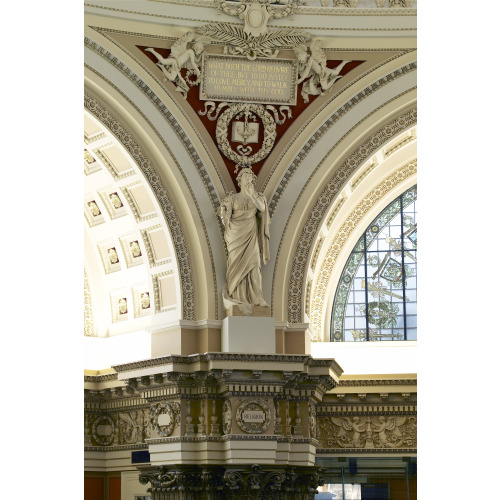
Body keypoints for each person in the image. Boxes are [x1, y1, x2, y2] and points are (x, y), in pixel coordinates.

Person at [218, 168, 270, 315]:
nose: (249, 179)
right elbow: (225, 219)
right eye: (245, 176)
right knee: (235, 264)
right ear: (240, 180)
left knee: (254, 265)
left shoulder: (257, 197)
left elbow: (262, 208)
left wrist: (252, 195)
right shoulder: (232, 198)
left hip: (250, 234)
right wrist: (224, 214)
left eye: (251, 177)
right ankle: (237, 295)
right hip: (235, 236)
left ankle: (257, 298)